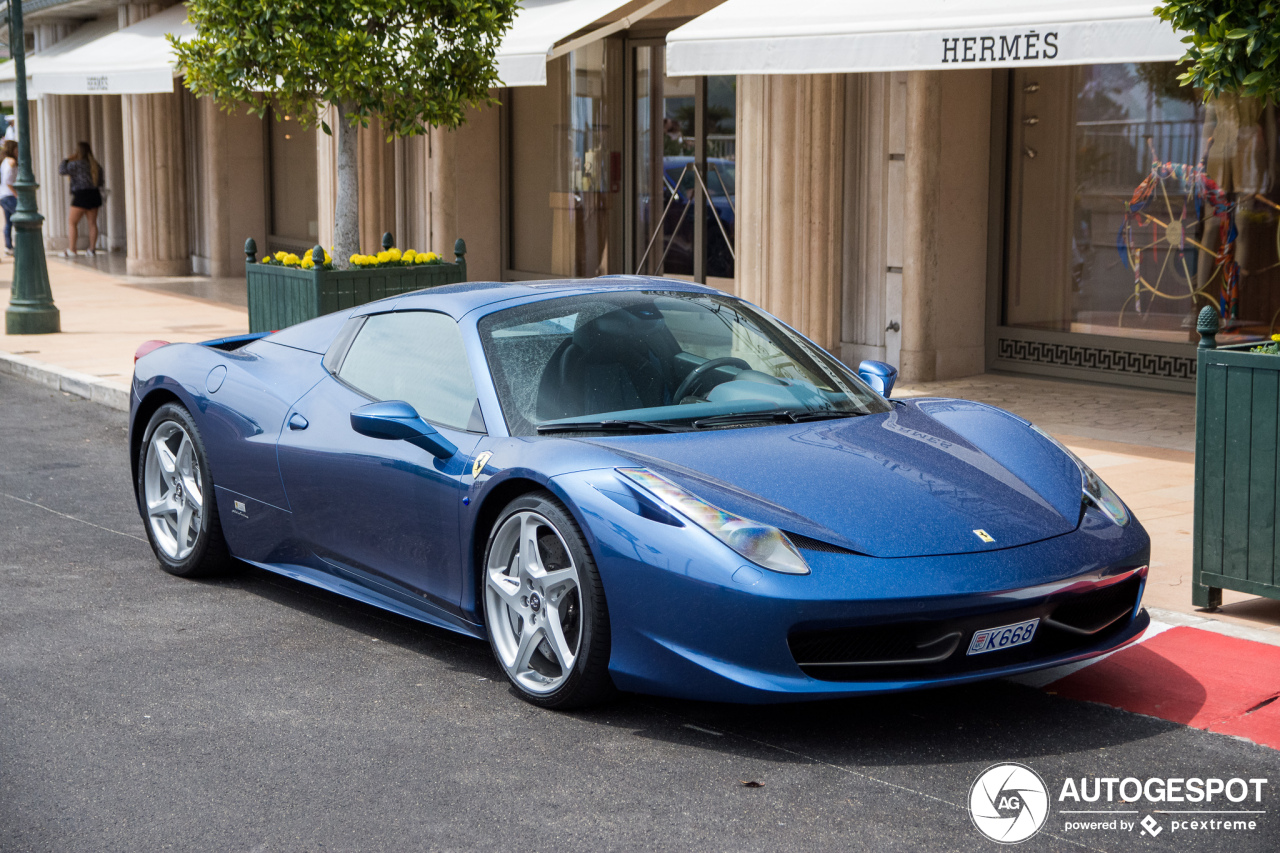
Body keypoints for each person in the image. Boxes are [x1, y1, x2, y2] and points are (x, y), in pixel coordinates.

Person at [58, 141, 104, 257]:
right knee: (92, 223)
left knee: (72, 222)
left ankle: (72, 249)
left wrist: (67, 159)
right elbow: (101, 182)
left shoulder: (76, 164)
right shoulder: (95, 165)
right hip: (94, 194)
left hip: (80, 195)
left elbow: (62, 170)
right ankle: (91, 249)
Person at [0, 140, 17, 256]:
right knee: (20, 220)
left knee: (9, 222)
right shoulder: (11, 161)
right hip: (9, 195)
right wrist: (16, 194)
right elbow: (8, 181)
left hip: (3, 195)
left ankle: (8, 246)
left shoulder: (4, 161)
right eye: (16, 149)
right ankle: (17, 245)